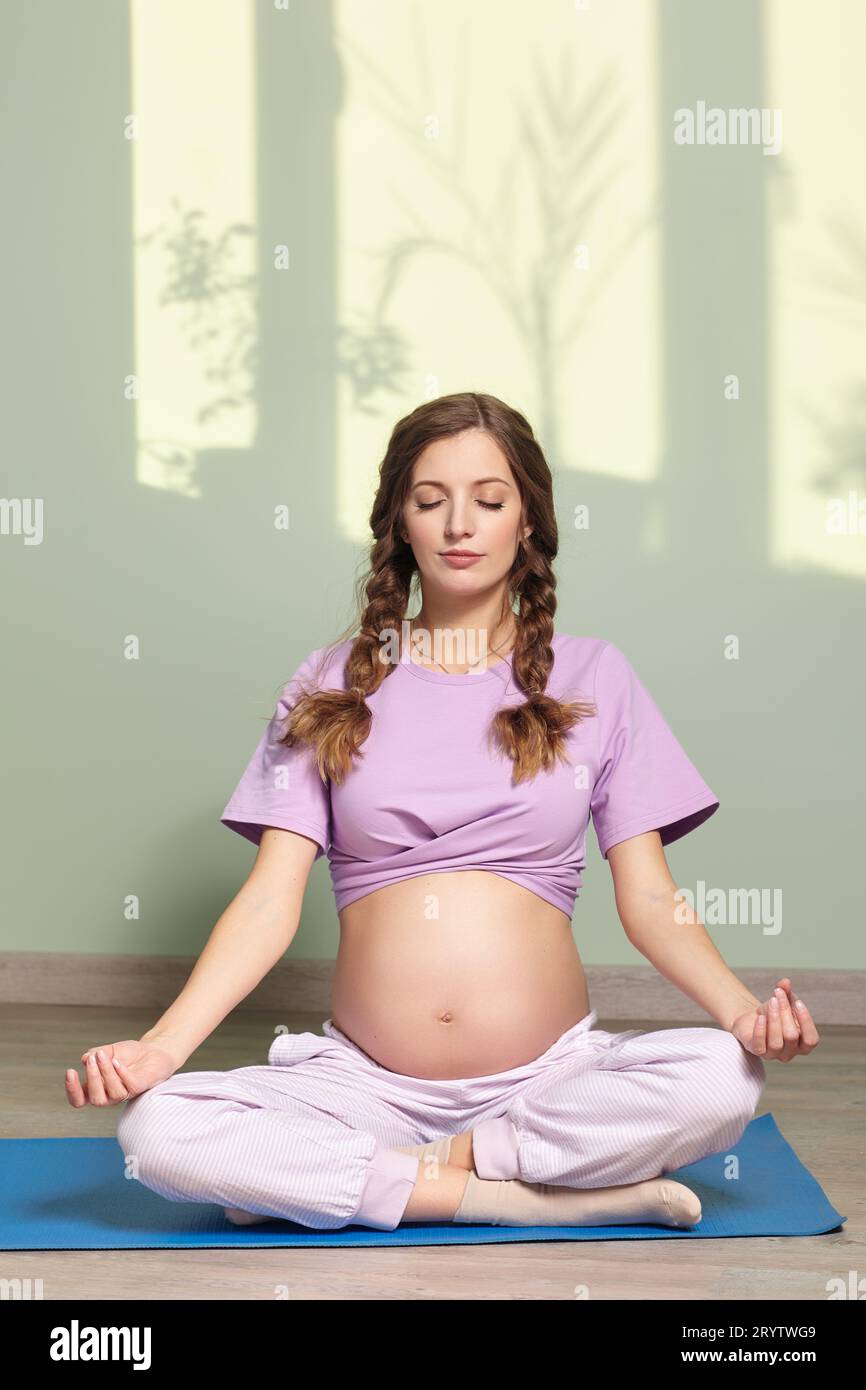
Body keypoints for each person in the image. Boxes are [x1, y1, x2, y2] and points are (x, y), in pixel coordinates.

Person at [67, 392, 820, 1233]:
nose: (460, 524)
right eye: (431, 501)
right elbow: (269, 901)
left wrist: (742, 1014)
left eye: (489, 501)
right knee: (157, 1127)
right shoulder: (329, 683)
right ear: (400, 524)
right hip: (366, 1086)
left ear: (526, 522)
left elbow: (649, 898)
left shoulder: (595, 676)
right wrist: (162, 1048)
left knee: (721, 1076)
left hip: (545, 1083)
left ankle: (386, 1181)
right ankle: (533, 1200)